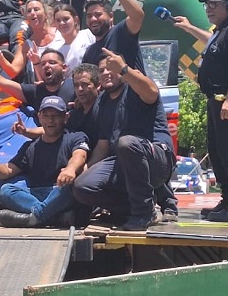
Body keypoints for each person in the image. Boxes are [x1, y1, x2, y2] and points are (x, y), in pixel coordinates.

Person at [72, 51, 176, 231]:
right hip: (124, 163)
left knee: (126, 143)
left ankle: (144, 213)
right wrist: (79, 172)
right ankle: (141, 207)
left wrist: (125, 69)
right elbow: (103, 147)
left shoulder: (136, 88)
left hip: (158, 161)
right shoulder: (102, 101)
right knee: (82, 187)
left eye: (111, 68)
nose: (105, 72)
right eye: (102, 70)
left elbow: (152, 92)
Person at [173, 0, 228, 222]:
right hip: (215, 102)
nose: (208, 9)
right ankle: (227, 200)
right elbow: (212, 41)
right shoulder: (221, 31)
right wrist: (188, 28)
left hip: (225, 101)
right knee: (217, 153)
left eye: (214, 4)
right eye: (206, 5)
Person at [0, 96, 90, 228]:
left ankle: (34, 218)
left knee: (73, 184)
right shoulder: (30, 147)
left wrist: (70, 169)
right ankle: (51, 216)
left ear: (65, 117)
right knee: (6, 190)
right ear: (39, 117)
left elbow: (80, 155)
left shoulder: (75, 137)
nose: (50, 120)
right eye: (46, 116)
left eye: (56, 116)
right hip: (38, 194)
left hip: (61, 192)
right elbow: (7, 170)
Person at [0, 47, 74, 113]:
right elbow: (1, 82)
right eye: (43, 64)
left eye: (52, 63)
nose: (46, 66)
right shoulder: (35, 91)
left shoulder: (76, 87)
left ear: (64, 68)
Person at [81, 0, 146, 73]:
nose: (93, 19)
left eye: (98, 14)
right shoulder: (89, 52)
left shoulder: (120, 32)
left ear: (111, 16)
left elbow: (137, 17)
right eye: (89, 16)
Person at [52, 4, 96, 80]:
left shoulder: (88, 34)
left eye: (66, 19)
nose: (62, 23)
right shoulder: (56, 50)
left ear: (75, 20)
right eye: (58, 20)